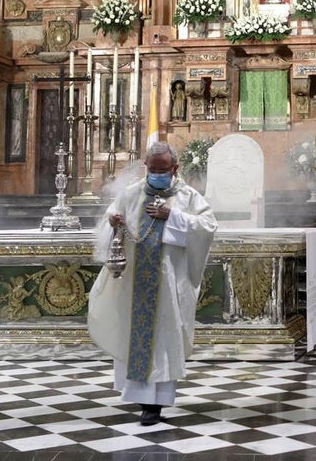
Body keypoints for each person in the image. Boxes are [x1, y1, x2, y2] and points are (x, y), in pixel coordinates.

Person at [88, 142, 218, 426]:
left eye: (163, 170)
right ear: (146, 167)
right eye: (153, 169)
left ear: (175, 168)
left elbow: (208, 227)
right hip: (136, 285)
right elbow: (111, 219)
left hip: (169, 284)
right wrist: (114, 221)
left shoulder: (186, 196)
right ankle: (139, 397)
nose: (158, 174)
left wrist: (173, 217)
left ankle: (155, 403)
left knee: (162, 338)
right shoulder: (132, 193)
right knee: (137, 336)